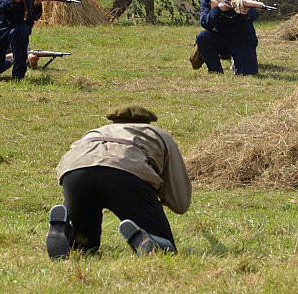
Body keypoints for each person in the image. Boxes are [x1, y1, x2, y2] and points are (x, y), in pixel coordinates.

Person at [48, 105, 192, 258]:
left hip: (76, 171)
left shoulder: (95, 132)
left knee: (86, 245)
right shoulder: (158, 134)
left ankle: (66, 232)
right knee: (167, 247)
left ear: (114, 120)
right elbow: (180, 202)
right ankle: (150, 240)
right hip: (124, 174)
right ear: (148, 121)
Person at [195, 0, 259, 76]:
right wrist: (218, 10)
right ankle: (215, 71)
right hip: (221, 38)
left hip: (242, 39)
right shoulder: (207, 0)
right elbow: (205, 23)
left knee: (248, 73)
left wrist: (247, 12)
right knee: (202, 37)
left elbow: (255, 14)